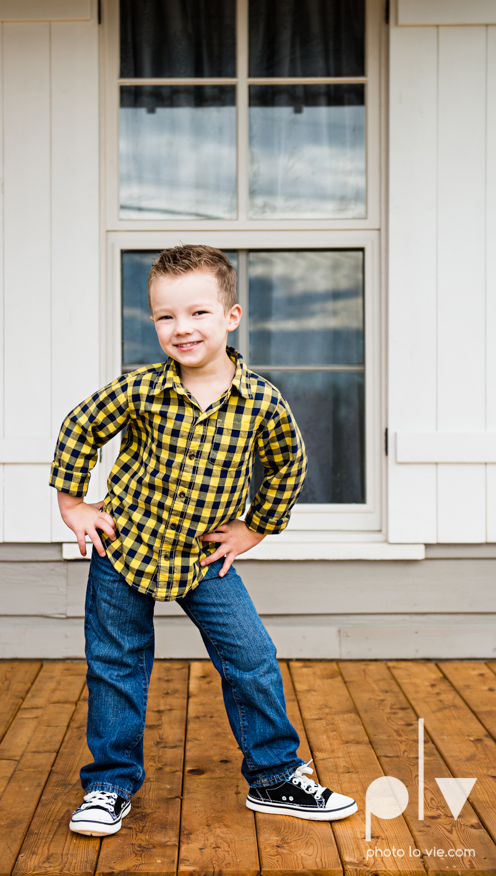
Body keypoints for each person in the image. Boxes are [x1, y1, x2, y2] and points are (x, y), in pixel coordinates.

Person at [50, 244, 357, 837]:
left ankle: (274, 777)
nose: (181, 328)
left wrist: (256, 527)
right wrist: (74, 504)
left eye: (198, 313)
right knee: (116, 666)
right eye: (166, 317)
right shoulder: (139, 389)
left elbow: (288, 465)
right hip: (125, 549)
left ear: (231, 316)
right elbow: (79, 427)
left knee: (251, 658)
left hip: (202, 559)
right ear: (154, 323)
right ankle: (109, 785)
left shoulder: (261, 402)